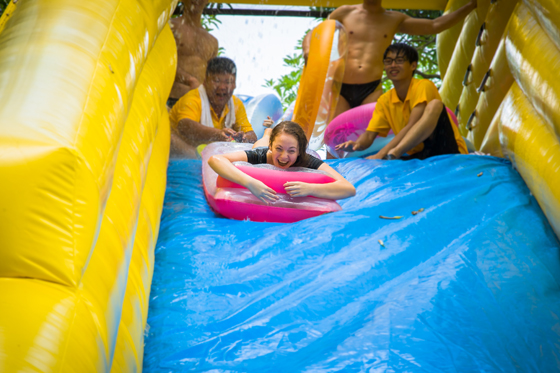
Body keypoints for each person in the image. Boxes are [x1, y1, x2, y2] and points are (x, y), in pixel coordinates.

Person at [327, 0, 477, 116]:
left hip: (371, 88)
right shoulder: (344, 13)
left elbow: (434, 25)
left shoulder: (393, 19)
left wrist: (471, 5)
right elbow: (320, 37)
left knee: (368, 134)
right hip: (340, 85)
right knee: (335, 135)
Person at [336, 43, 468, 160]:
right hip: (420, 153)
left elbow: (412, 124)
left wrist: (382, 153)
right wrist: (357, 145)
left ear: (413, 65)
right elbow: (370, 134)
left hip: (447, 147)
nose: (393, 65)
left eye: (399, 61)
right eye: (388, 61)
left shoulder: (423, 85)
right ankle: (395, 154)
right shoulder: (385, 100)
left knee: (435, 105)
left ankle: (395, 153)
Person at [208, 121, 356, 204]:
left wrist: (311, 189)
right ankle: (268, 131)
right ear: (271, 147)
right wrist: (250, 183)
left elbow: (348, 188)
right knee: (263, 139)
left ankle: (270, 133)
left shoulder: (307, 160)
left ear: (299, 151)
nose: (284, 156)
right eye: (279, 149)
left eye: (291, 151)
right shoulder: (261, 155)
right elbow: (215, 160)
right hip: (262, 147)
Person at [169, 57, 257, 157]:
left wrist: (244, 138)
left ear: (234, 85)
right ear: (205, 82)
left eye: (228, 82)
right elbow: (184, 125)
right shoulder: (192, 99)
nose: (222, 87)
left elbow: (252, 135)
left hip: (205, 154)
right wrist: (217, 134)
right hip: (179, 152)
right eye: (216, 80)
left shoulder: (236, 105)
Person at [168, 0, 219, 109]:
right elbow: (164, 63)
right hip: (171, 98)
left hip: (197, 104)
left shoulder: (212, 41)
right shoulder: (171, 27)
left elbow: (212, 77)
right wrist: (190, 80)